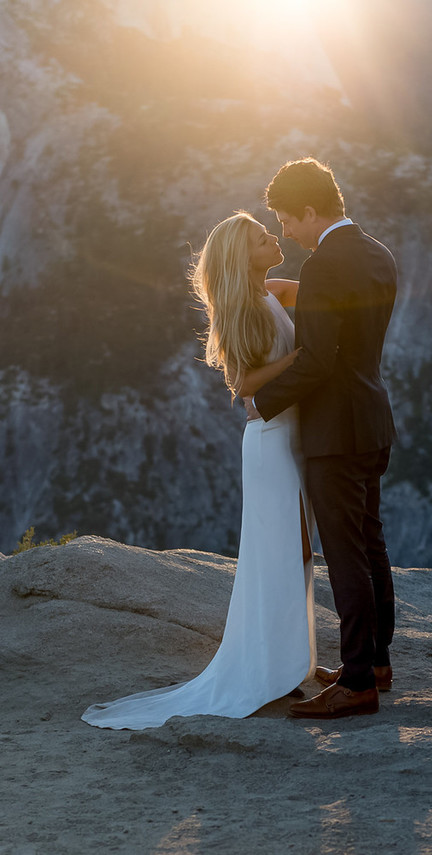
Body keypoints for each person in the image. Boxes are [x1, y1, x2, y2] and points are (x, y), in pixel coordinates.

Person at [81, 212, 316, 730]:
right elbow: (243, 384)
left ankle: (288, 663)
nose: (272, 238)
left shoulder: (274, 289)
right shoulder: (240, 308)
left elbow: (323, 292)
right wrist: (303, 358)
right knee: (278, 553)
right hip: (271, 443)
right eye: (261, 238)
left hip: (293, 438)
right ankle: (272, 669)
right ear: (241, 255)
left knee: (297, 549)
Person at [253, 157, 397, 720]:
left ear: (310, 211)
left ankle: (358, 682)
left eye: (287, 220)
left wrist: (259, 403)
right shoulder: (377, 253)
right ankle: (376, 662)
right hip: (372, 418)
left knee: (345, 555)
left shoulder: (324, 266)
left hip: (335, 430)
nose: (286, 231)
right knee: (370, 543)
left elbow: (315, 361)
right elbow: (353, 337)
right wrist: (297, 295)